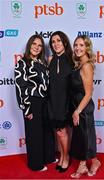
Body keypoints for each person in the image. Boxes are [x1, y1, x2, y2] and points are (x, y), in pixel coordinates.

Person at [14, 34, 55, 171]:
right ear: (29, 45)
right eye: (34, 44)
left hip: (44, 101)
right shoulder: (22, 62)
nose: (37, 47)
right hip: (32, 102)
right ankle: (36, 164)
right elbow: (21, 86)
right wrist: (26, 108)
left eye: (39, 45)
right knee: (34, 134)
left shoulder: (42, 63)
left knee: (47, 131)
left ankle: (48, 157)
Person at [69, 35, 101, 178]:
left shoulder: (87, 65)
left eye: (81, 45)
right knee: (82, 137)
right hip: (78, 106)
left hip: (84, 108)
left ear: (87, 47)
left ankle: (94, 162)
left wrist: (78, 111)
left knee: (86, 136)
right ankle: (85, 165)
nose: (78, 48)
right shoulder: (79, 64)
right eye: (76, 45)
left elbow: (88, 93)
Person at [47, 31, 74, 172]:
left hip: (65, 101)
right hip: (52, 101)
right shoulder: (50, 59)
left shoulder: (71, 59)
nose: (56, 44)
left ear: (64, 42)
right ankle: (62, 155)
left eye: (58, 40)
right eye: (53, 41)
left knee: (62, 132)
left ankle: (66, 156)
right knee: (58, 133)